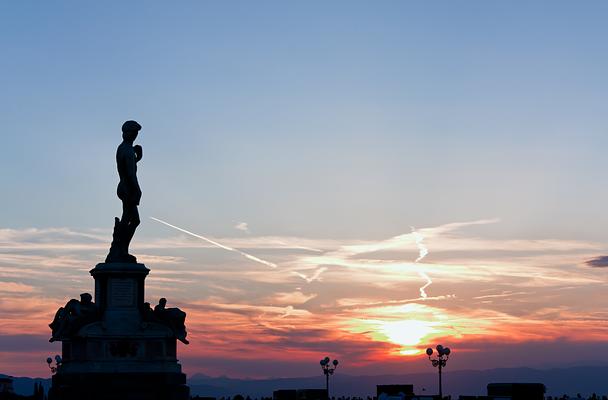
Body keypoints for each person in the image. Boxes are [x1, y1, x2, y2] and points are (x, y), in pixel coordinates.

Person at [106, 120, 143, 263]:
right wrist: (137, 189)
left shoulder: (124, 149)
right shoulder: (127, 150)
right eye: (132, 132)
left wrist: (137, 159)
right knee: (132, 219)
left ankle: (122, 250)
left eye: (136, 133)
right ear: (125, 133)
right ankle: (121, 250)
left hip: (124, 187)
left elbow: (129, 167)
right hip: (128, 188)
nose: (134, 136)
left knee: (131, 219)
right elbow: (130, 173)